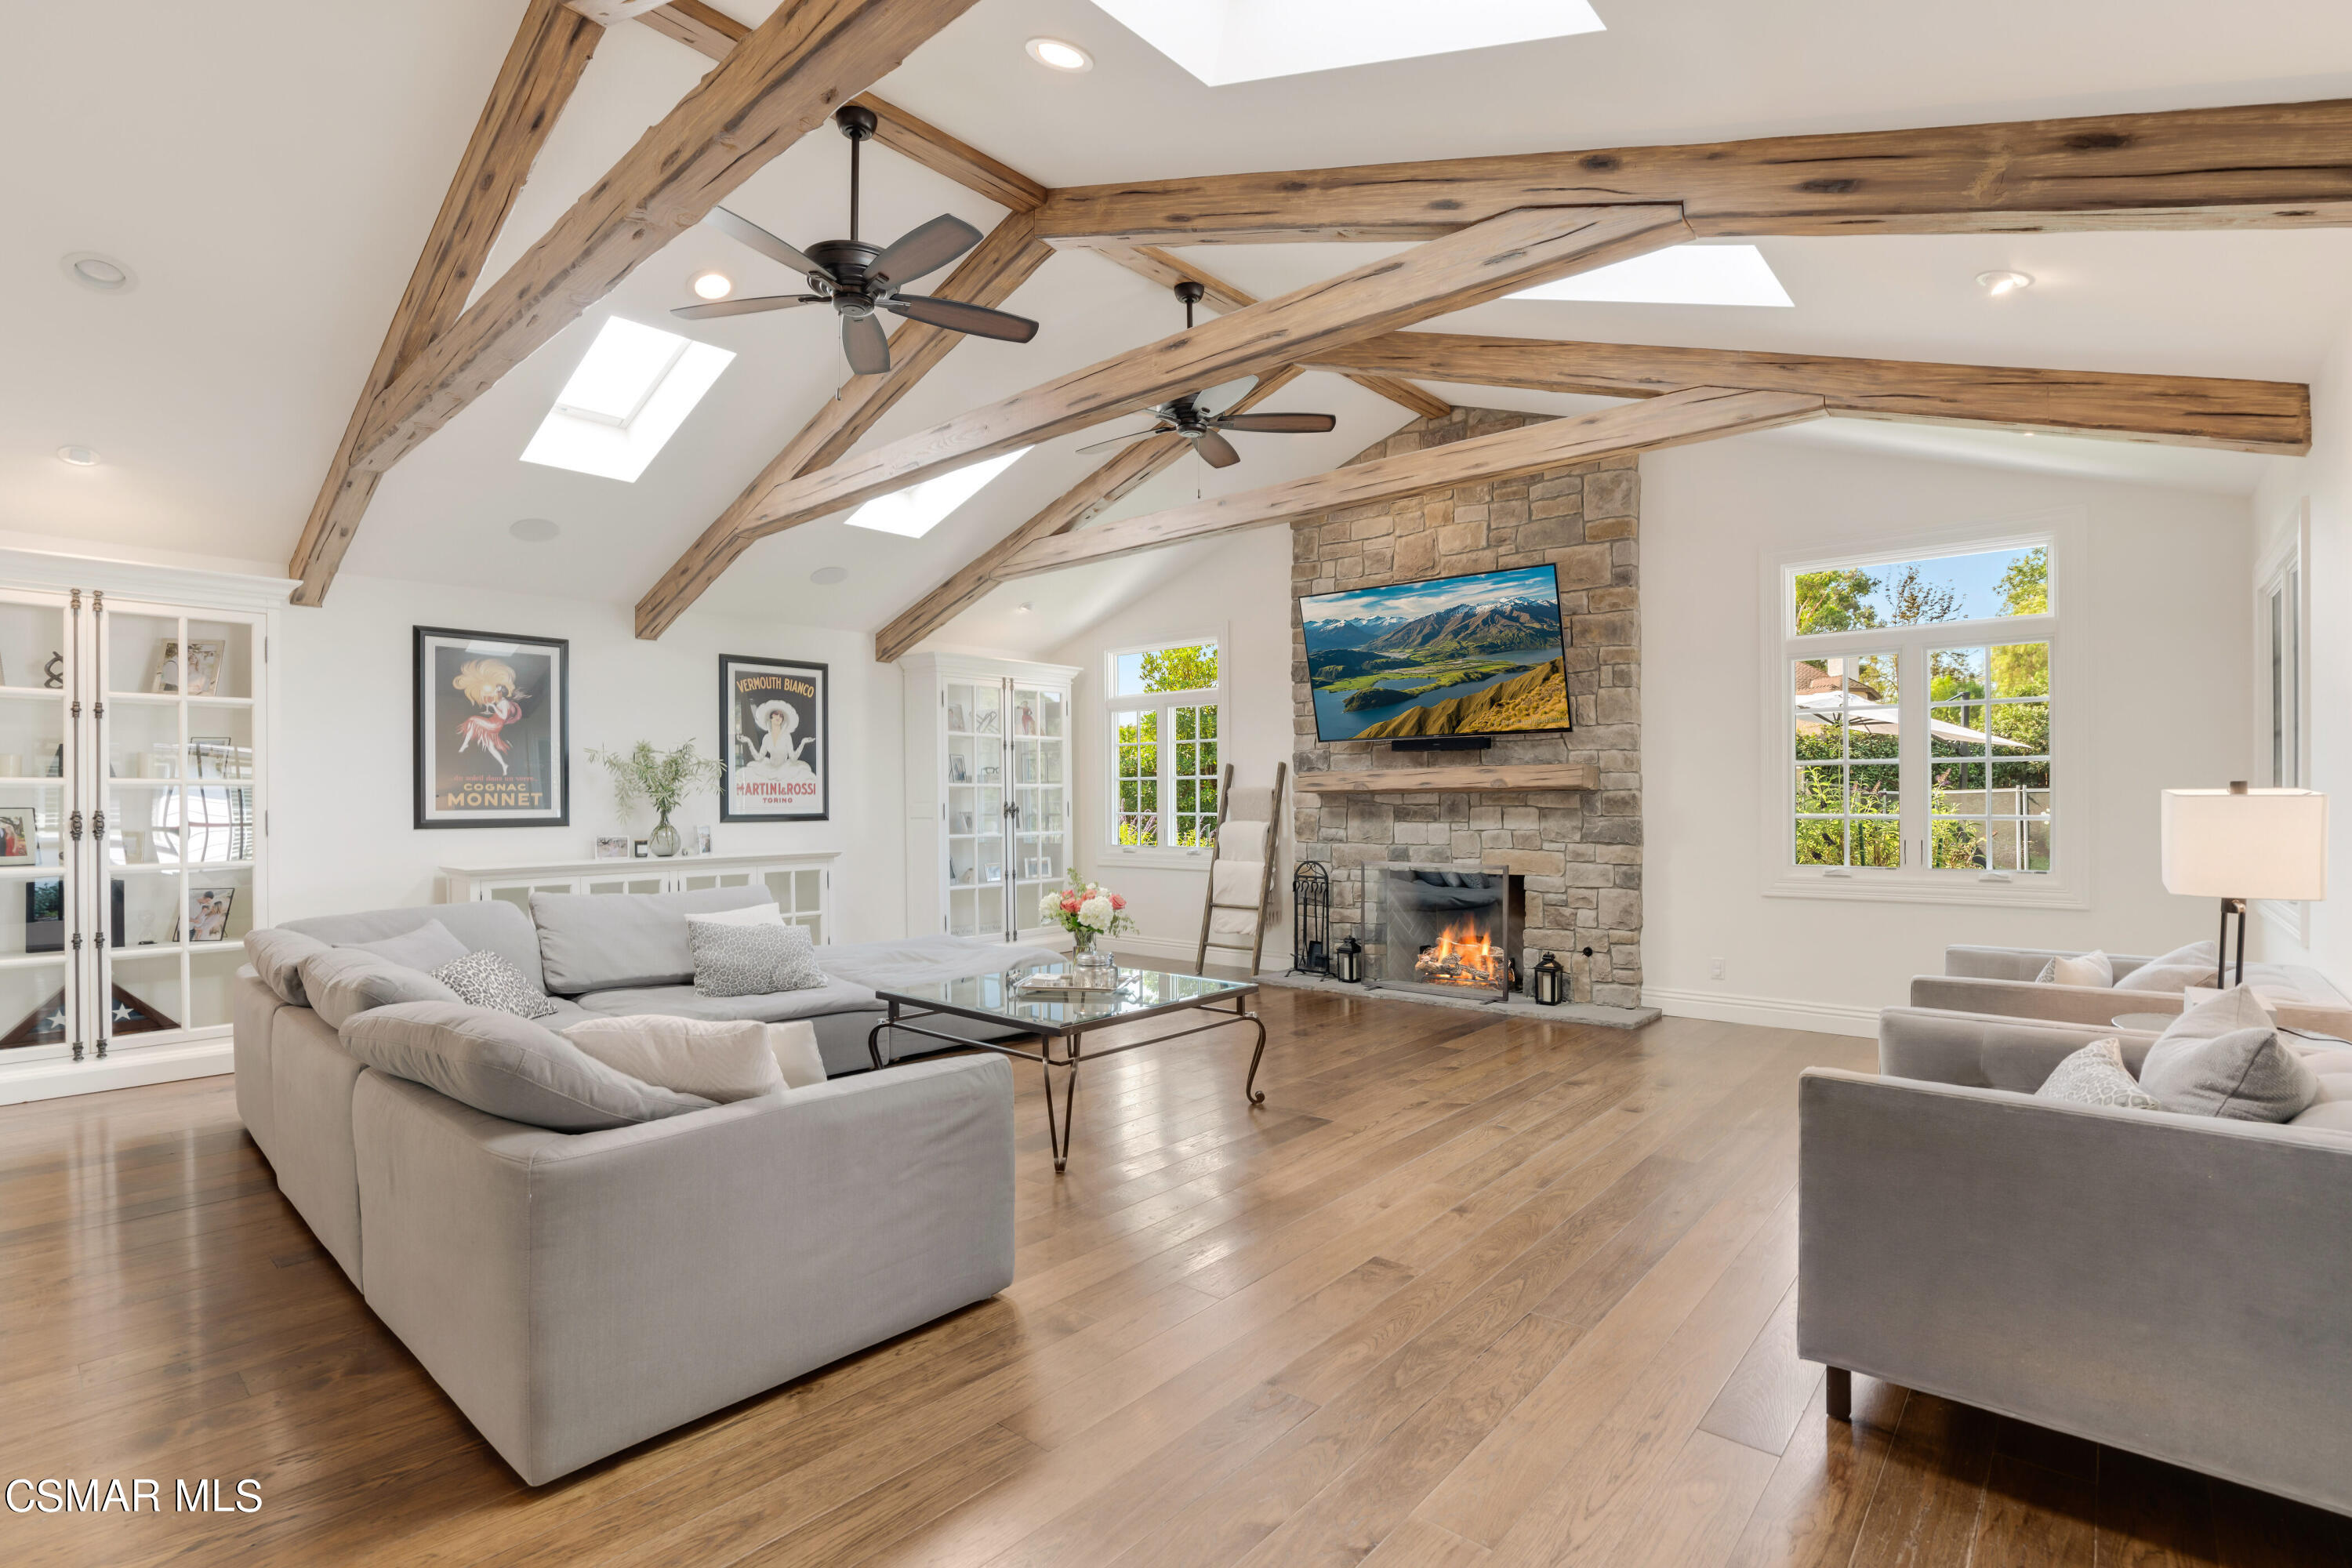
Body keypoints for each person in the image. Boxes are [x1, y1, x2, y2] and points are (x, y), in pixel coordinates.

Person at [452, 658, 528, 775]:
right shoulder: (502, 701)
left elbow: (502, 717)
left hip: (495, 724)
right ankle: (504, 765)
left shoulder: (503, 703)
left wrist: (493, 707)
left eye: (496, 691)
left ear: (500, 693)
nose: (494, 693)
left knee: (472, 720)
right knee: (491, 748)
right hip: (493, 722)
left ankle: (465, 744)